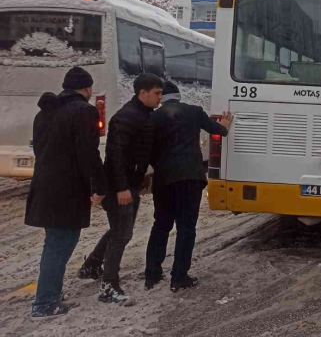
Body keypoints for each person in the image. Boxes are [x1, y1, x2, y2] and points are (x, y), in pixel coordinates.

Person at [25, 67, 107, 318]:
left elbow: (39, 150)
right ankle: (45, 303)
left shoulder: (44, 113)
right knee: (59, 244)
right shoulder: (84, 111)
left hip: (45, 186)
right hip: (67, 189)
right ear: (87, 89)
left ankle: (50, 294)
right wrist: (99, 186)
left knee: (57, 242)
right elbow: (88, 153)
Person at [79, 73, 163, 304]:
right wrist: (122, 188)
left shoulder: (143, 115)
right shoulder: (127, 117)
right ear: (142, 93)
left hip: (129, 185)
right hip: (121, 187)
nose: (160, 98)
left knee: (118, 230)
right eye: (157, 93)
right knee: (121, 235)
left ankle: (92, 265)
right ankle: (109, 285)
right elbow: (114, 155)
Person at [144, 81, 233, 292]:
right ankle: (179, 276)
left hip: (164, 179)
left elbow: (147, 148)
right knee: (186, 228)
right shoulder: (194, 112)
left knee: (161, 225)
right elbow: (218, 131)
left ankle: (152, 274)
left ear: (161, 97)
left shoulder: (153, 117)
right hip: (190, 179)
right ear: (178, 96)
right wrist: (225, 125)